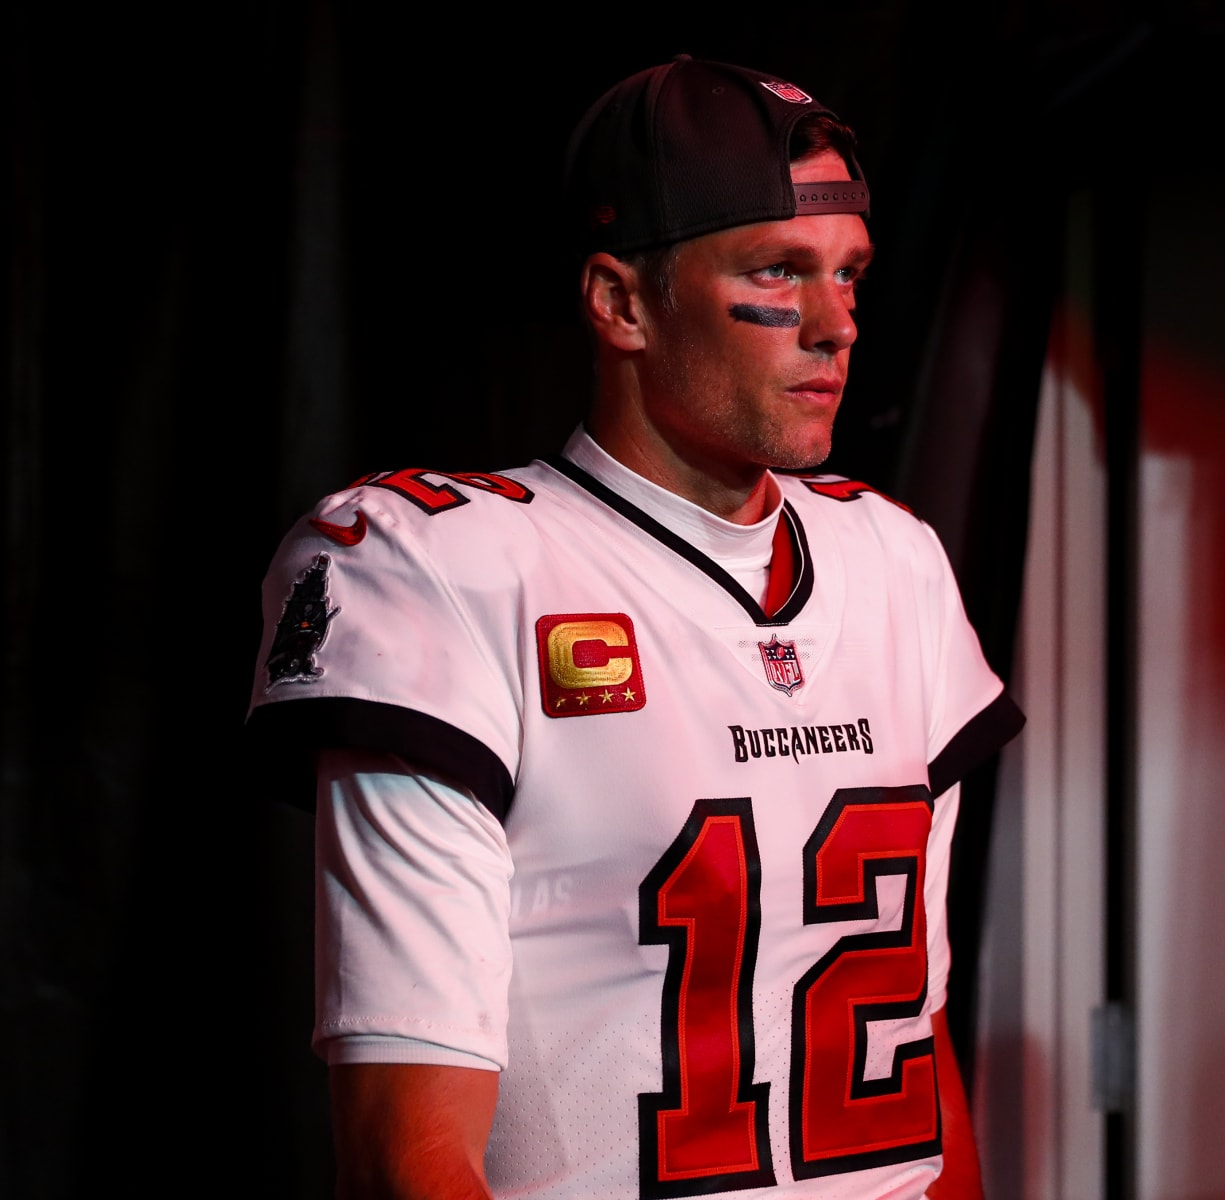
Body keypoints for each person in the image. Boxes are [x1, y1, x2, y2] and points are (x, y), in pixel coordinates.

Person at [245, 54, 1024, 1199]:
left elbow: (916, 1033)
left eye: (850, 274)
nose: (836, 325)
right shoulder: (450, 571)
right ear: (620, 303)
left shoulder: (892, 560)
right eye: (777, 270)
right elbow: (410, 1154)